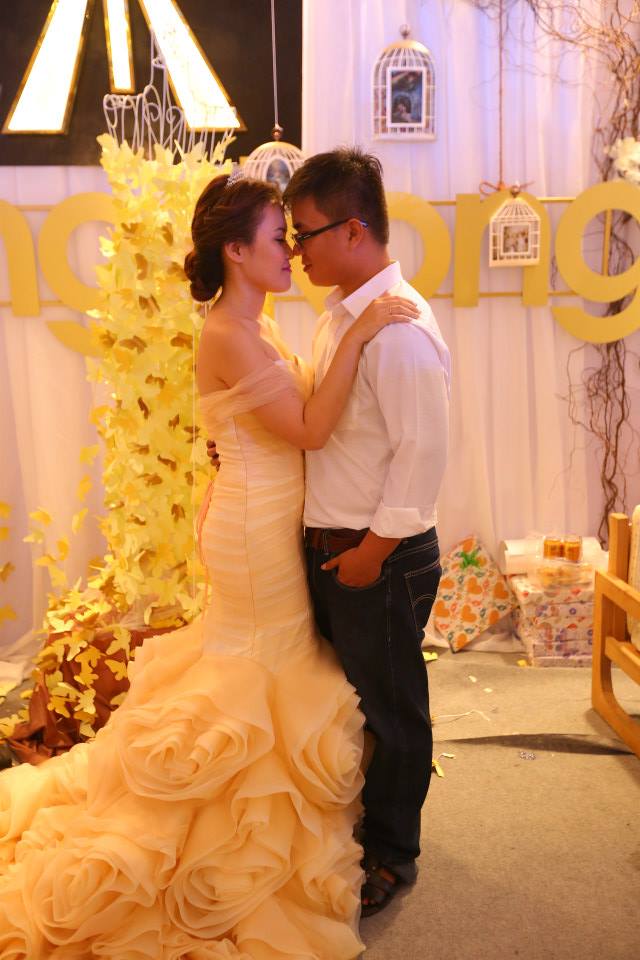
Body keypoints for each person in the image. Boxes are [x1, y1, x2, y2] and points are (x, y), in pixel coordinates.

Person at [0, 173, 419, 958]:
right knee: (252, 669)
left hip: (265, 515)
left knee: (272, 662)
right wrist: (361, 334)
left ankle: (255, 810)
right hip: (254, 532)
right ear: (235, 251)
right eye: (277, 239)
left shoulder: (257, 324)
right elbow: (309, 430)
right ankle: (212, 829)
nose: (291, 251)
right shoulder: (228, 330)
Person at [283, 148, 450, 917]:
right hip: (340, 547)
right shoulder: (343, 318)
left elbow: (423, 456)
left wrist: (371, 555)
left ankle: (392, 854)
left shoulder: (400, 330)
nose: (297, 250)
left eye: (305, 233)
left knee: (393, 709)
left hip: (375, 553)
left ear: (353, 230)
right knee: (354, 704)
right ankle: (366, 828)